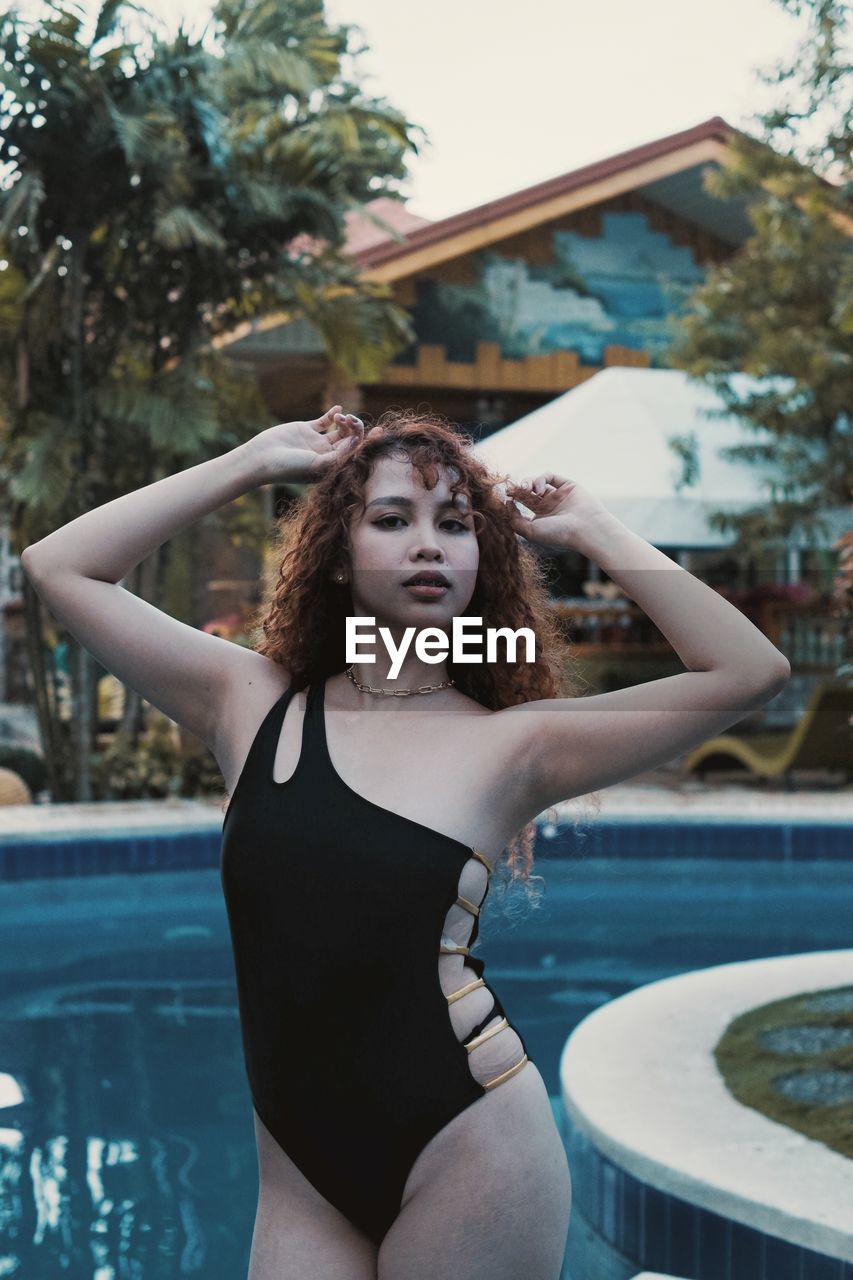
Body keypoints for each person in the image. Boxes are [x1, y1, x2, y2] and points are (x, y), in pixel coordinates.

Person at [20, 404, 791, 1280]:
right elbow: (62, 567)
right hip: (301, 1173)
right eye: (391, 520)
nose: (427, 545)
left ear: (482, 564)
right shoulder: (249, 703)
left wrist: (595, 528)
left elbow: (748, 671)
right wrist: (254, 459)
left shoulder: (516, 745)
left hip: (470, 1140)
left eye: (454, 525)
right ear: (339, 559)